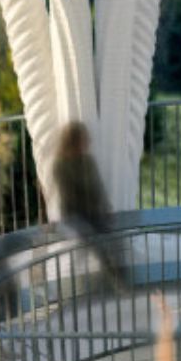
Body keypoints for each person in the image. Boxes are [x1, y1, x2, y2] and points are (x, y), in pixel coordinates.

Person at [52, 121, 129, 288]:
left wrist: (105, 209)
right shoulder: (60, 165)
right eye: (83, 140)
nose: (87, 143)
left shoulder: (88, 161)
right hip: (74, 215)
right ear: (73, 141)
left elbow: (98, 187)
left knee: (117, 239)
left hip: (94, 213)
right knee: (96, 240)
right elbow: (69, 196)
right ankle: (115, 281)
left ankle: (122, 278)